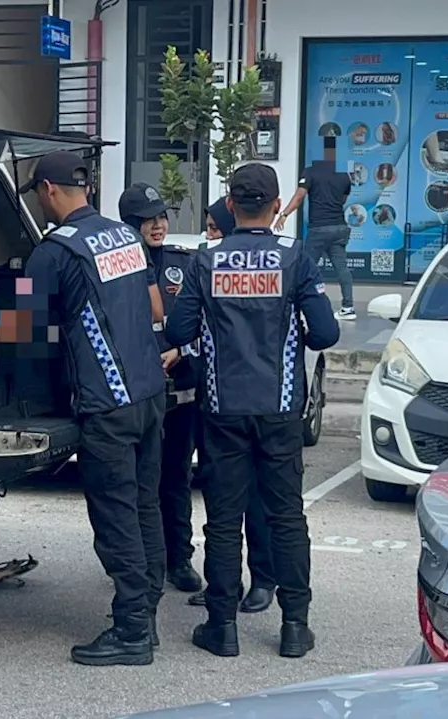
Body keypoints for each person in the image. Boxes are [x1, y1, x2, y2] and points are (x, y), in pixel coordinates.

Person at [167, 163, 341, 659]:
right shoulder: (295, 257)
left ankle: (221, 627)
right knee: (286, 516)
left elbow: (179, 332)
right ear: (276, 202)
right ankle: (294, 627)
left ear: (230, 202)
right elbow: (326, 334)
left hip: (222, 408)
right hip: (280, 407)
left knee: (223, 520)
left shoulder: (207, 259)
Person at [22, 152, 167, 667]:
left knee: (115, 517)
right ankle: (146, 615)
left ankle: (131, 631)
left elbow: (25, 325)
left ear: (48, 191)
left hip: (107, 403)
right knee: (144, 507)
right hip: (151, 394)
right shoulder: (123, 235)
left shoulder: (53, 250)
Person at [187, 196, 278, 614]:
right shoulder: (205, 266)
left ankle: (263, 578)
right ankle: (222, 583)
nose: (209, 235)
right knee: (221, 505)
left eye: (212, 226)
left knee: (257, 500)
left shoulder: (267, 263)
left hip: (262, 400)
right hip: (219, 397)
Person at [117, 182, 202, 595]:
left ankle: (178, 557)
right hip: (134, 393)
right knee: (135, 481)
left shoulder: (184, 263)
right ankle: (138, 560)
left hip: (180, 392)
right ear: (129, 224)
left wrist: (183, 350)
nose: (157, 225)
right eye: (147, 219)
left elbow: (204, 320)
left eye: (162, 217)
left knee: (176, 476)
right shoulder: (115, 266)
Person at [275, 135, 356, 320]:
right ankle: (348, 307)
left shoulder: (310, 172)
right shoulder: (344, 175)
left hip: (319, 227)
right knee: (342, 268)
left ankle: (295, 306)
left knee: (304, 267)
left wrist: (284, 214)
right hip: (339, 227)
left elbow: (299, 197)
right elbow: (343, 199)